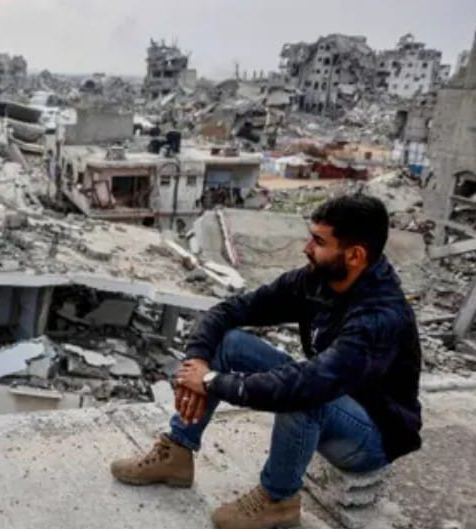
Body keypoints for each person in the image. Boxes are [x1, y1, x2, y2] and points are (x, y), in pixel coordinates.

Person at [110, 194, 422, 529]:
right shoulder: (316, 281)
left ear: (355, 255)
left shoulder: (380, 316)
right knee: (229, 342)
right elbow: (229, 311)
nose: (306, 249)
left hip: (371, 435)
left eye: (319, 242)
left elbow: (309, 384)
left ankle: (278, 499)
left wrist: (212, 382)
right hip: (331, 396)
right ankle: (177, 450)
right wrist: (197, 364)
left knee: (302, 396)